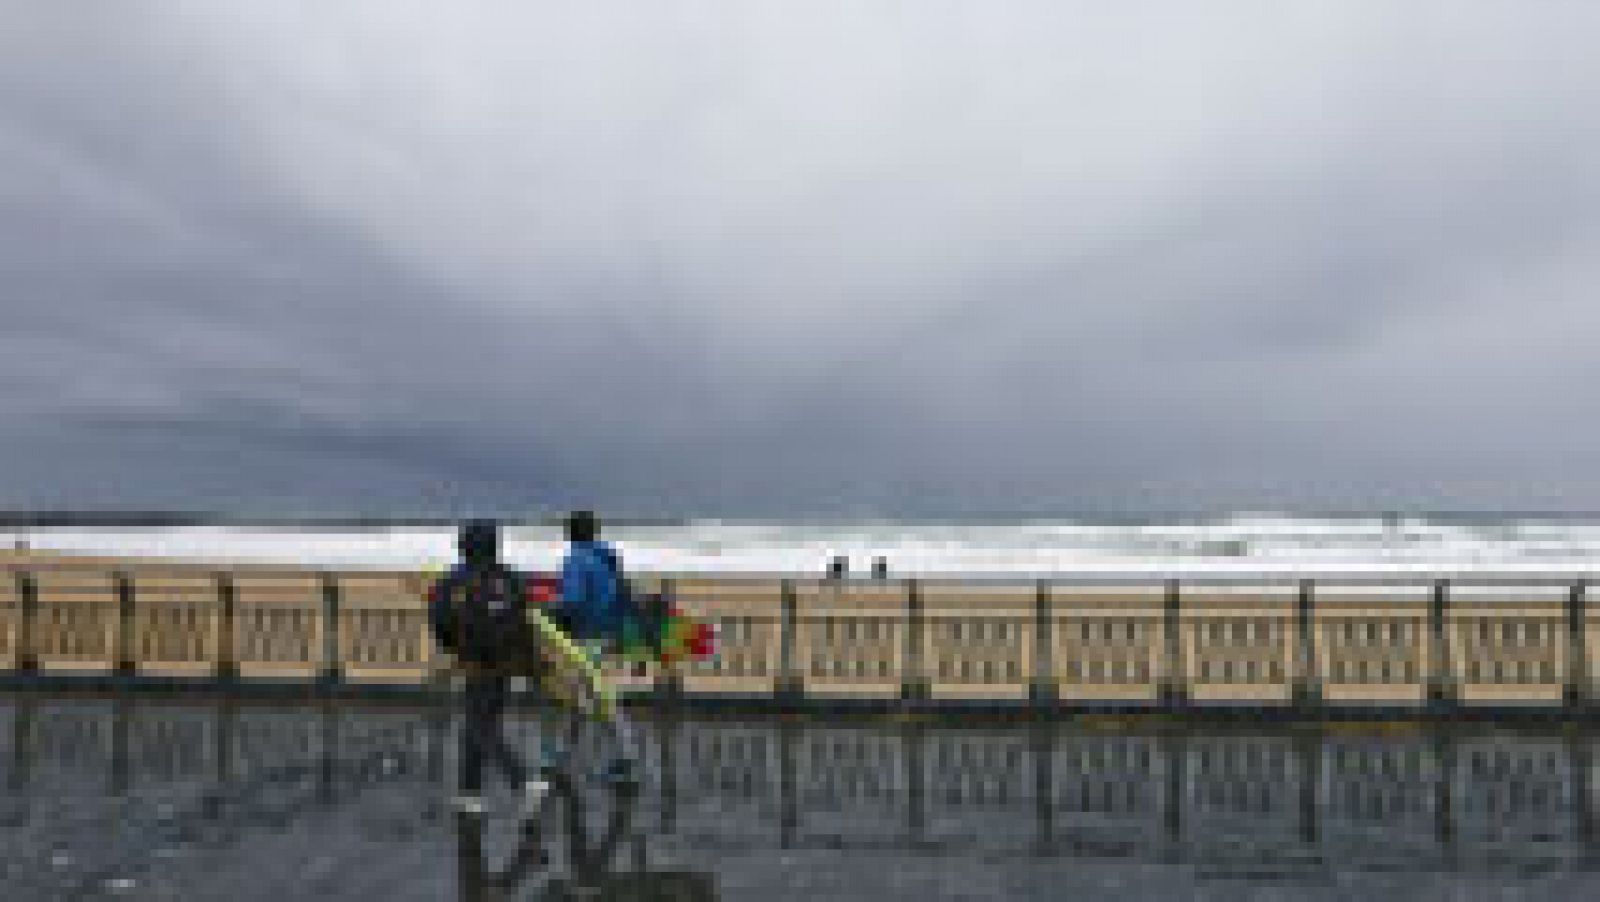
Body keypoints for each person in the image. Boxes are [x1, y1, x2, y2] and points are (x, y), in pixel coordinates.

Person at [428, 519, 548, 816]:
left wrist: (454, 647)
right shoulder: (510, 578)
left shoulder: (455, 579)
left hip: (476, 664)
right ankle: (470, 794)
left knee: (480, 727)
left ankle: (522, 780)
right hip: (507, 663)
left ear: (465, 545)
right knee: (478, 724)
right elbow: (525, 617)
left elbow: (440, 620)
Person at [554, 509, 639, 785]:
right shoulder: (608, 558)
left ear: (570, 533)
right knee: (583, 693)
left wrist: (550, 614)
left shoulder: (576, 560)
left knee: (592, 696)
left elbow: (573, 602)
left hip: (585, 636)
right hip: (608, 633)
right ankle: (562, 757)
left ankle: (626, 757)